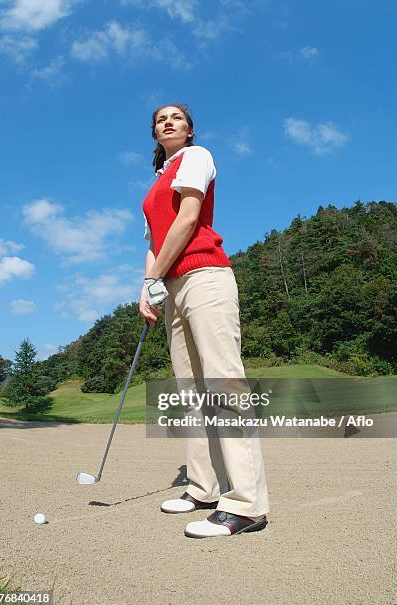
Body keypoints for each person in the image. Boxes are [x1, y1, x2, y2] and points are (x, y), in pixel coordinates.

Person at [139, 103, 270, 538]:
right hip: (172, 286)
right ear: (155, 134)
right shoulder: (156, 183)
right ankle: (203, 488)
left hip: (206, 277)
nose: (168, 122)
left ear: (189, 130)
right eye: (160, 119)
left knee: (223, 382)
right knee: (191, 393)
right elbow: (156, 242)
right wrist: (148, 288)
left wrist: (157, 275)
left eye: (176, 117)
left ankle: (247, 505)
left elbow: (189, 217)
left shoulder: (197, 157)